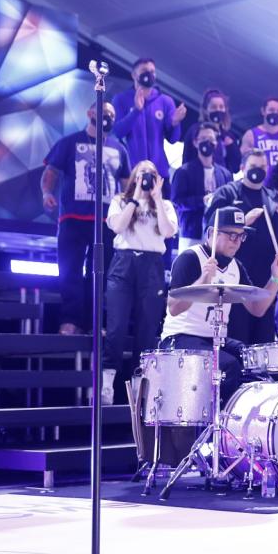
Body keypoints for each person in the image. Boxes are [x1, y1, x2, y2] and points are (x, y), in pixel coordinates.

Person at [160, 206, 278, 402]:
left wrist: (276, 279)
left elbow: (257, 309)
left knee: (252, 359)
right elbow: (174, 308)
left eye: (241, 236)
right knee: (229, 365)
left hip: (214, 339)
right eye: (230, 235)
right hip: (181, 337)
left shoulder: (235, 266)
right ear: (211, 233)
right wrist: (204, 279)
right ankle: (220, 425)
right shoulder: (190, 258)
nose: (236, 242)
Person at [42, 102, 130, 334]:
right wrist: (47, 193)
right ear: (90, 113)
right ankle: (70, 320)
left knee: (99, 274)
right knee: (70, 270)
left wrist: (128, 207)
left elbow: (126, 182)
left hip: (105, 222)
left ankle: (94, 322)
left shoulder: (119, 148)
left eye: (112, 114)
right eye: (103, 112)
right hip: (73, 217)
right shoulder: (70, 142)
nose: (107, 117)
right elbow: (50, 171)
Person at [103, 160, 178, 403]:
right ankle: (106, 385)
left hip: (152, 265)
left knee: (147, 328)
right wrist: (135, 198)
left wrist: (156, 198)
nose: (146, 177)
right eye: (142, 173)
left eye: (152, 174)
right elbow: (117, 227)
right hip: (124, 263)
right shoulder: (120, 201)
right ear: (134, 176)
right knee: (116, 326)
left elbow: (168, 232)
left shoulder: (165, 205)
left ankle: (139, 389)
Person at [204, 149, 278, 345]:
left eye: (263, 167)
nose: (258, 171)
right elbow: (210, 229)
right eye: (254, 167)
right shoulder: (227, 193)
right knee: (237, 342)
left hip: (267, 280)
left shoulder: (275, 199)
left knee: (262, 345)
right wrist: (243, 222)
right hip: (234, 280)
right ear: (243, 167)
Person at [111, 58, 186, 177]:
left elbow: (173, 140)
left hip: (159, 171)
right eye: (145, 70)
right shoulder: (120, 99)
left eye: (152, 71)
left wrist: (175, 123)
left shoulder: (165, 101)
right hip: (132, 171)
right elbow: (118, 132)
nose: (149, 74)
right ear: (134, 75)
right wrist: (136, 111)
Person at [171, 122, 233, 251]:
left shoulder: (225, 174)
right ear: (195, 142)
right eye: (203, 139)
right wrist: (202, 201)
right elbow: (177, 202)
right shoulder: (184, 172)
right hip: (192, 233)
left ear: (216, 143)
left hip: (218, 234)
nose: (207, 143)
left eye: (211, 139)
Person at [181, 89, 241, 173]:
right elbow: (186, 160)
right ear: (206, 110)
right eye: (214, 107)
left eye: (221, 107)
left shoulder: (228, 136)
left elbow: (235, 168)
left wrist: (231, 148)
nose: (218, 110)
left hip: (223, 181)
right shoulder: (194, 131)